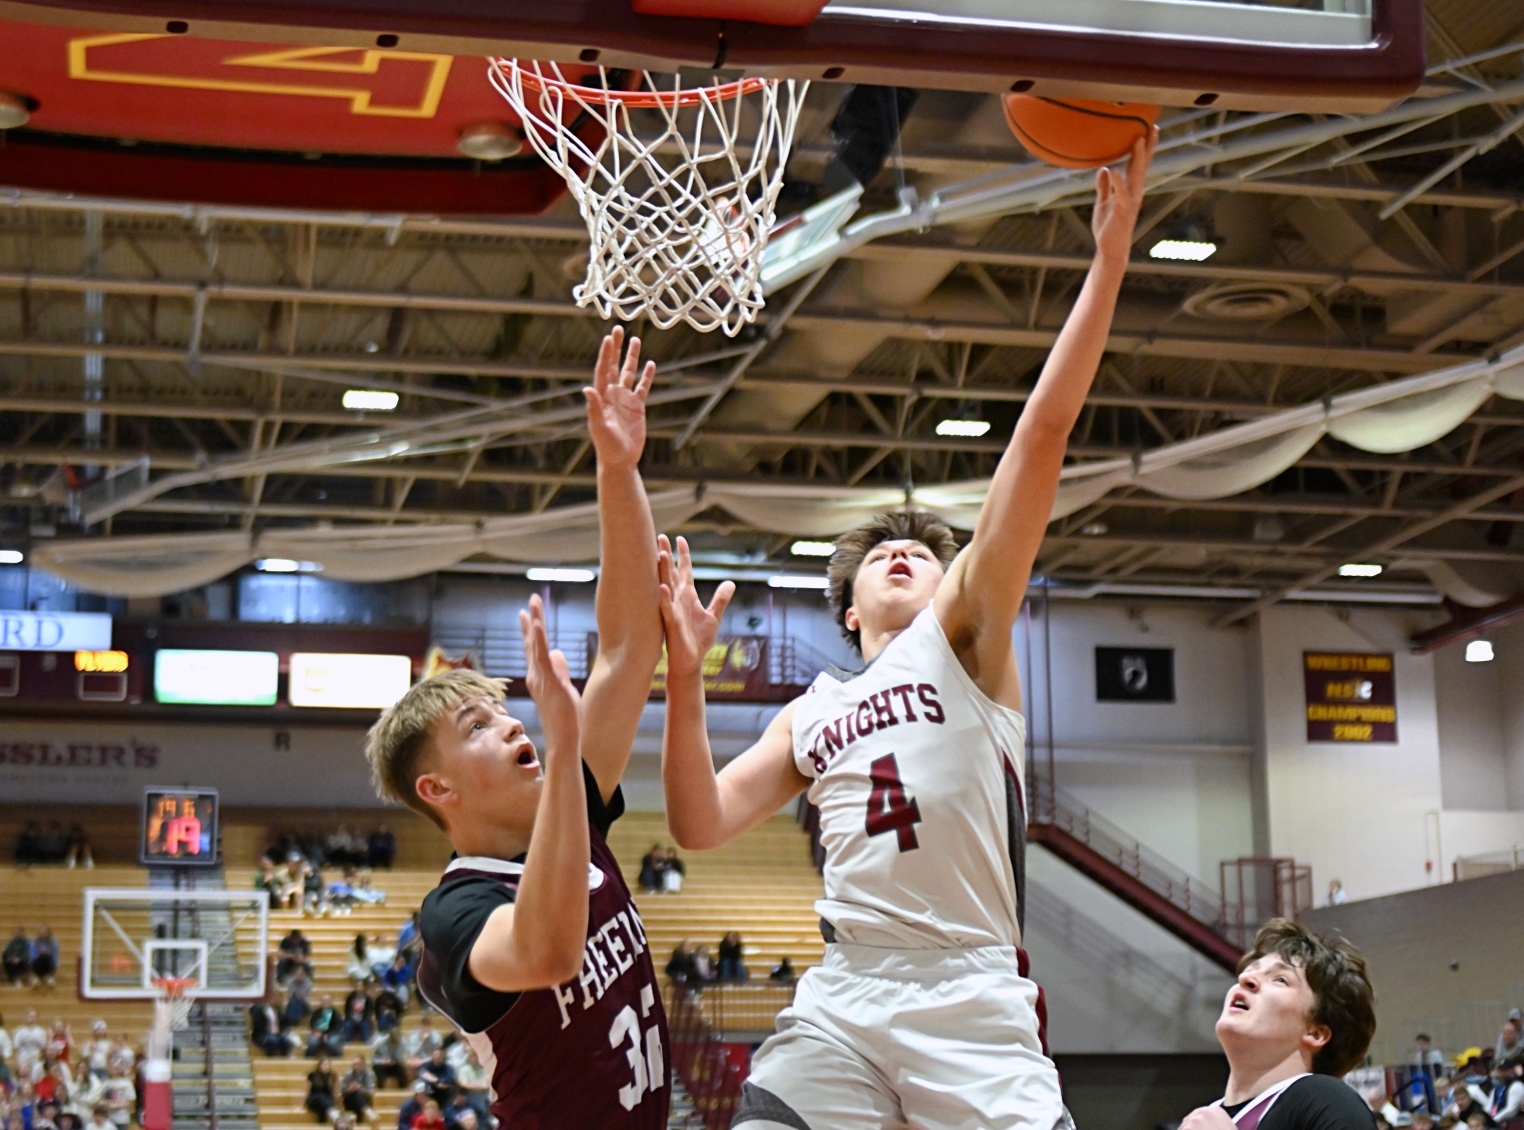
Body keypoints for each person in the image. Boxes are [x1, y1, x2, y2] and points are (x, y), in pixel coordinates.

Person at [655, 133, 1157, 1130]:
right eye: (879, 554)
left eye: (921, 552)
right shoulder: (812, 711)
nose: (901, 554)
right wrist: (684, 678)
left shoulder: (964, 636)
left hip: (967, 989)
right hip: (846, 990)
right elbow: (698, 822)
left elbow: (1039, 440)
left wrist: (1105, 266)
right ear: (846, 609)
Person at [367, 329, 670, 1129]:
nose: (509, 727)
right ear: (438, 788)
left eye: (507, 711)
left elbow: (634, 642)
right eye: (478, 725)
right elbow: (547, 952)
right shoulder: (455, 915)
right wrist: (567, 743)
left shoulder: (568, 807)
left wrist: (617, 470)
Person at [1178, 919, 1377, 1130]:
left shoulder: (1325, 1099)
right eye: (1252, 970)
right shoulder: (1207, 1117)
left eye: (1280, 979)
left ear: (1316, 1032)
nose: (1246, 977)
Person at [341, 1056, 379, 1123]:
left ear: (363, 1064)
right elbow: (342, 1091)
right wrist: (349, 1089)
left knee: (358, 1094)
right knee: (356, 1094)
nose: (356, 1066)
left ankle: (363, 1110)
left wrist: (360, 1088)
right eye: (354, 1064)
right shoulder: (348, 1073)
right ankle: (366, 1109)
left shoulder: (369, 1073)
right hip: (350, 1099)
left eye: (358, 1064)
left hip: (364, 1098)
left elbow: (371, 1091)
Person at [305, 1056, 338, 1124]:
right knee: (319, 1097)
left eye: (328, 1064)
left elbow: (334, 1092)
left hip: (327, 1100)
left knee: (322, 1110)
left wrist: (338, 1105)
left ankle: (321, 1123)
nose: (326, 1066)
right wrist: (301, 1105)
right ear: (319, 1065)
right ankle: (332, 1111)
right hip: (314, 1099)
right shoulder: (312, 1075)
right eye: (324, 1064)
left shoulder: (332, 1076)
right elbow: (307, 1092)